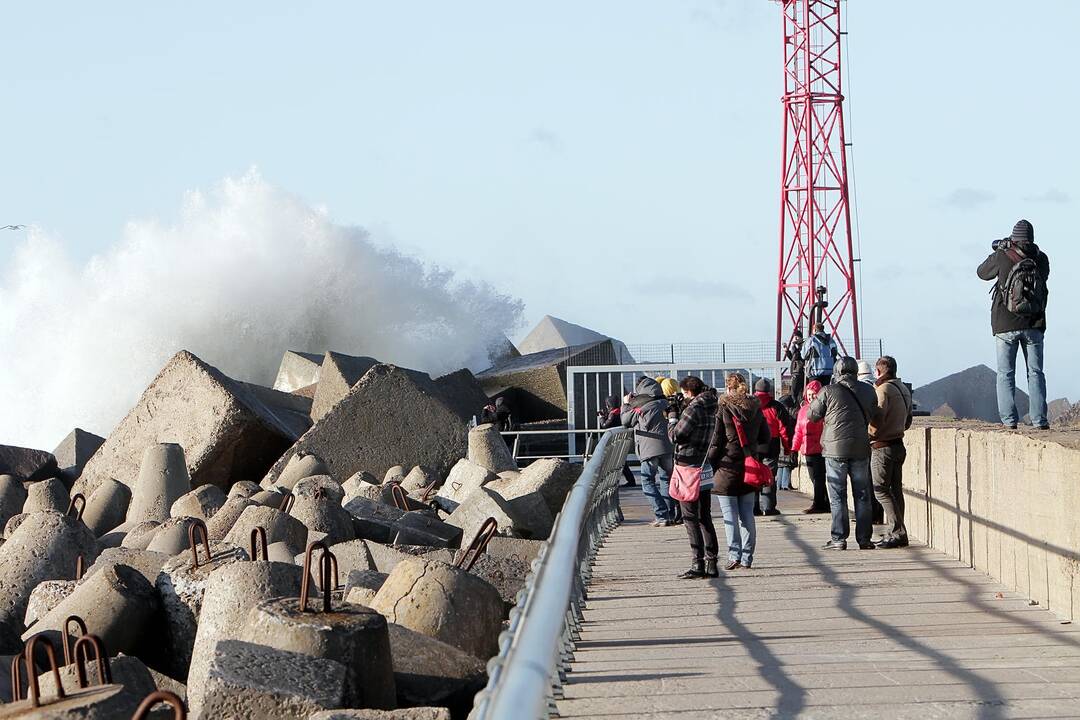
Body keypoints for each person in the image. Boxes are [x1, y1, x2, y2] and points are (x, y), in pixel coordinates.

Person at [977, 219, 1051, 430]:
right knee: (1036, 372)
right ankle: (1039, 421)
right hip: (1034, 323)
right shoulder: (1041, 258)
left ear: (1013, 236)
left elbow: (982, 273)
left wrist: (999, 251)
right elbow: (1043, 280)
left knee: (1006, 373)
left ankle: (1009, 421)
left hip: (1005, 323)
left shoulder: (1002, 255)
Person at [809, 356, 880, 550]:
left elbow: (812, 415)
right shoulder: (868, 390)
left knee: (838, 495)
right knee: (863, 494)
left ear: (837, 372)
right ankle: (864, 539)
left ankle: (839, 538)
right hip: (860, 448)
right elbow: (875, 414)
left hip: (834, 450)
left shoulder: (828, 391)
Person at [710, 373, 770, 570]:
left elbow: (717, 440)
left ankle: (734, 554)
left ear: (728, 388)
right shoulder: (756, 408)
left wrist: (710, 460)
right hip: (749, 467)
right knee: (747, 515)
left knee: (730, 516)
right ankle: (747, 557)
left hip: (727, 467)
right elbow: (765, 437)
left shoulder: (724, 408)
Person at [669, 376, 719, 579]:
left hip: (688, 466)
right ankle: (712, 563)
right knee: (705, 516)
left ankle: (697, 563)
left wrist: (672, 417)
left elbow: (676, 435)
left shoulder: (694, 408)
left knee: (690, 517)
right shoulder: (712, 404)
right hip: (704, 464)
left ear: (689, 392)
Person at [622, 377, 679, 527]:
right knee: (666, 480)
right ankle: (670, 514)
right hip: (667, 448)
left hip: (649, 449)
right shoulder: (666, 403)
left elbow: (625, 421)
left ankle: (661, 515)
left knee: (647, 481)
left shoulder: (642, 406)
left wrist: (626, 404)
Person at [869, 356, 913, 549]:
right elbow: (909, 420)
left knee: (880, 490)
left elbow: (877, 419)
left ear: (880, 371)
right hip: (898, 444)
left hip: (882, 446)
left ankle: (897, 533)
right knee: (895, 491)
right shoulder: (903, 389)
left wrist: (869, 434)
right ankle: (898, 532)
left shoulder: (883, 390)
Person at [752, 378, 794, 516]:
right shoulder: (777, 406)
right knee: (769, 476)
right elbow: (784, 430)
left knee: (754, 476)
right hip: (771, 444)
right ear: (769, 390)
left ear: (755, 390)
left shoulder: (750, 405)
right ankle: (769, 507)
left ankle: (754, 508)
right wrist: (787, 448)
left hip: (753, 445)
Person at [793, 380, 828, 514]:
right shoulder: (802, 410)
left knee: (819, 477)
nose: (810, 397)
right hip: (807, 448)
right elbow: (798, 431)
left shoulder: (823, 409)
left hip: (819, 448)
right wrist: (794, 448)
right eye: (808, 394)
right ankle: (824, 502)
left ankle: (819, 503)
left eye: (813, 394)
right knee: (814, 478)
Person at [600, 395, 636, 486]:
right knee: (622, 462)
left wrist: (601, 417)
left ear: (609, 404)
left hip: (614, 441)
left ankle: (611, 483)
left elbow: (605, 425)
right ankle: (631, 481)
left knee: (612, 462)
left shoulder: (612, 414)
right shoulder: (620, 412)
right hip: (621, 439)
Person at [775, 393, 799, 491]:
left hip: (779, 440)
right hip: (789, 439)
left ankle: (779, 484)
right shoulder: (793, 412)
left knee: (781, 464)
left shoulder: (778, 411)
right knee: (788, 464)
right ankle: (785, 484)